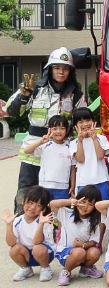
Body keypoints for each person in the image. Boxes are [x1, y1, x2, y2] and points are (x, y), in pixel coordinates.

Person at [6, 47, 86, 214]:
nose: (61, 72)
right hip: (34, 152)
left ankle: (52, 234)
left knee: (56, 198)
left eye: (65, 69)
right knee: (26, 194)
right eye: (57, 68)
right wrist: (23, 96)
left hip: (60, 155)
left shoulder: (76, 95)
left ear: (70, 72)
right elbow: (11, 111)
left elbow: (82, 123)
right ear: (49, 69)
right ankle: (22, 229)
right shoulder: (33, 89)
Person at [50, 185, 103, 286]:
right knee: (79, 252)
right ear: (77, 200)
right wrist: (70, 202)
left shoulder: (94, 222)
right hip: (65, 251)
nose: (85, 206)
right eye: (83, 201)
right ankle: (66, 271)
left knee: (95, 252)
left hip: (82, 249)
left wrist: (83, 245)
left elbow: (94, 241)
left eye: (90, 204)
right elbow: (52, 204)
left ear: (94, 207)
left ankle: (86, 269)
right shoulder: (66, 213)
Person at [1, 186, 54, 282]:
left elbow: (37, 241)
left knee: (38, 248)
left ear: (43, 209)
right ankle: (26, 268)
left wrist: (41, 224)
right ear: (23, 201)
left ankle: (45, 268)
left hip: (44, 253)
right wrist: (9, 225)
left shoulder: (43, 221)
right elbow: (11, 243)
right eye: (31, 202)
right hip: (26, 254)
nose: (33, 207)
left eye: (38, 205)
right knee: (14, 250)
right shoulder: (17, 221)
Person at [23, 115, 74, 200]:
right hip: (45, 186)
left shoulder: (70, 147)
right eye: (55, 128)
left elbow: (72, 168)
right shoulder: (45, 145)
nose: (58, 131)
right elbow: (26, 150)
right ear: (49, 130)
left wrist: (72, 185)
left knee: (61, 211)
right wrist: (40, 141)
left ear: (67, 130)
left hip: (63, 187)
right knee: (45, 210)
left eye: (62, 128)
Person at [69, 107, 109, 200]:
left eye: (88, 120)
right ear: (75, 125)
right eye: (80, 122)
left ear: (93, 121)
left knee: (103, 210)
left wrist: (94, 138)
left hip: (102, 180)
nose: (85, 124)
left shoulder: (101, 138)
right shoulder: (74, 143)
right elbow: (80, 159)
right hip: (83, 183)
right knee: (85, 210)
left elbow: (100, 156)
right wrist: (80, 141)